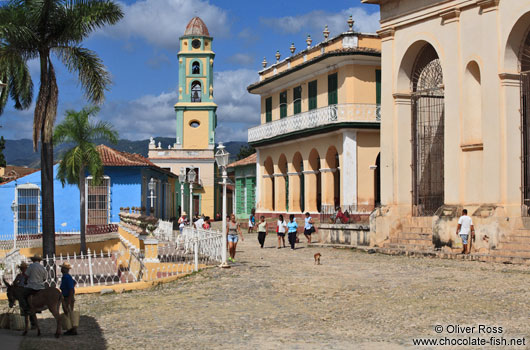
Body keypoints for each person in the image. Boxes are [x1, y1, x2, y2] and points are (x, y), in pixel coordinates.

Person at [20, 255, 47, 322]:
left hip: (31, 286)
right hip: (41, 287)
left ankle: (26, 309)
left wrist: (26, 281)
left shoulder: (31, 266)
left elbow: (26, 275)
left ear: (33, 260)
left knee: (22, 296)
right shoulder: (42, 267)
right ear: (39, 260)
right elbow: (44, 278)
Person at [59, 262, 77, 335]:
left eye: (63, 268)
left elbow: (71, 289)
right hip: (66, 296)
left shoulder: (66, 277)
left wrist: (69, 300)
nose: (61, 269)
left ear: (65, 269)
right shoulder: (66, 277)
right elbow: (74, 283)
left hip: (67, 297)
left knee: (68, 312)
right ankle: (70, 328)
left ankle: (72, 329)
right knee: (68, 312)